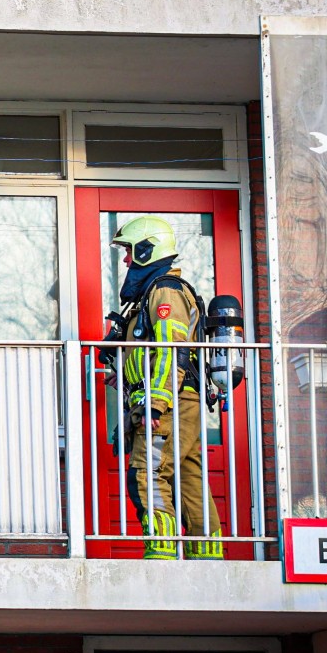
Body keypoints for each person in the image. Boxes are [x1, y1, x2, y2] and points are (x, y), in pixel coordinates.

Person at [109, 216, 223, 560]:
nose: (127, 260)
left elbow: (169, 349)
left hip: (169, 404)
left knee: (147, 473)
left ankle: (162, 548)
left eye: (129, 252)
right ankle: (207, 553)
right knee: (188, 476)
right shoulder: (155, 293)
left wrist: (154, 404)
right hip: (181, 401)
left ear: (147, 249)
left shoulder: (165, 292)